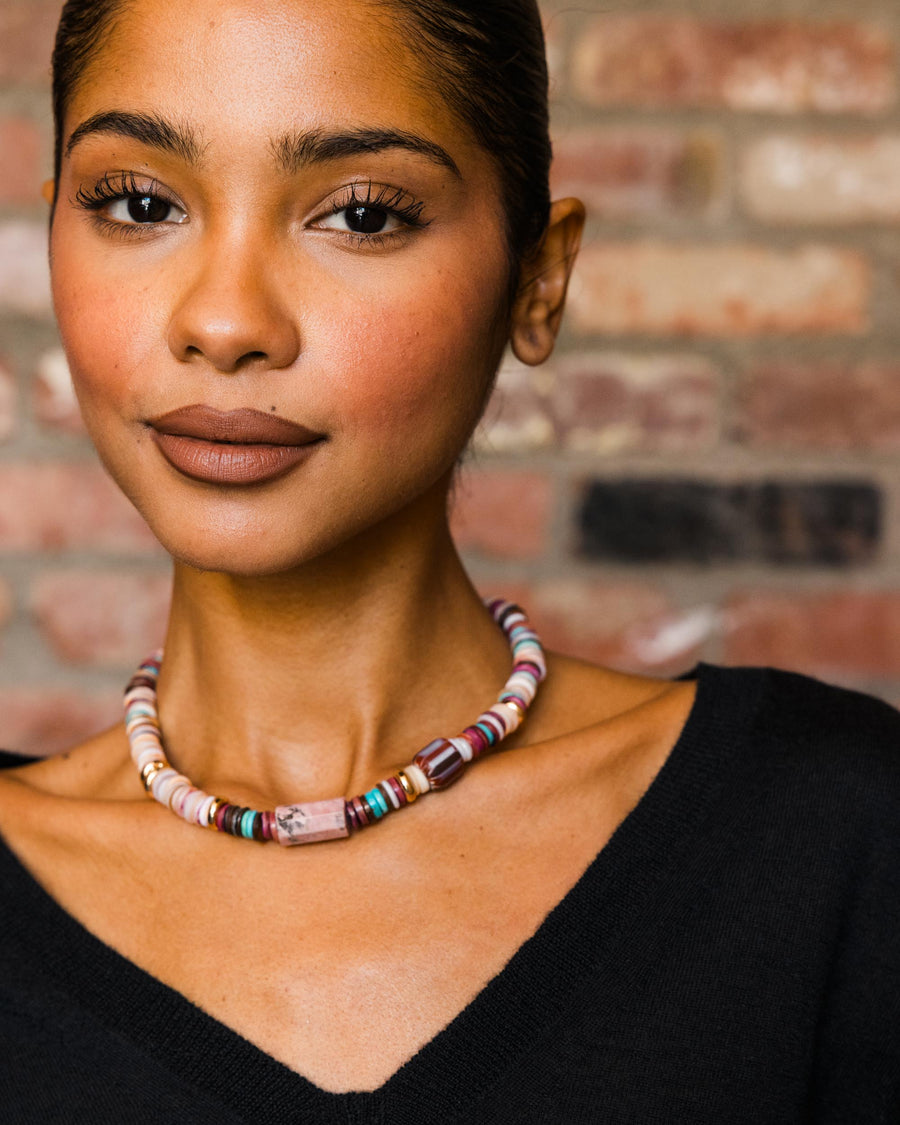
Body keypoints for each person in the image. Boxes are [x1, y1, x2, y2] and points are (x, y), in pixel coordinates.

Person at [0, 0, 897, 1121]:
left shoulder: (836, 839)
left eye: (362, 215)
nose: (224, 321)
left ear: (538, 280)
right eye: (139, 204)